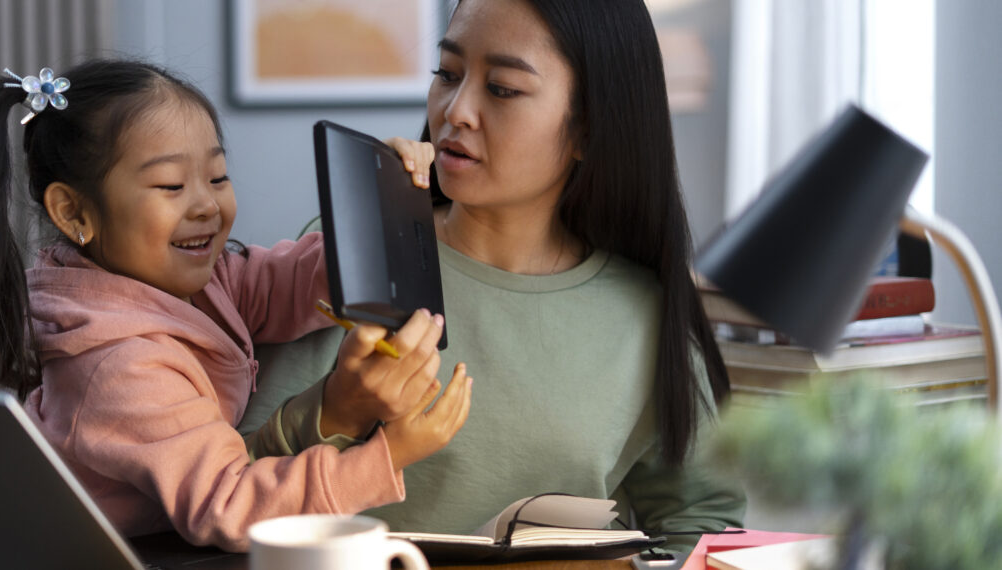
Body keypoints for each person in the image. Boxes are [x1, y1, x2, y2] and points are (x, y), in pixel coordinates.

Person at [239, 0, 745, 553]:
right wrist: (335, 410)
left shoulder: (644, 314)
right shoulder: (350, 254)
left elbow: (703, 519)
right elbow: (230, 489)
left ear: (589, 129)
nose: (456, 110)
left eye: (502, 88)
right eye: (447, 74)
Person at [0, 58, 472, 551]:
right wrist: (388, 455)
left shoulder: (193, 282)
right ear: (73, 213)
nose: (207, 205)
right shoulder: (121, 366)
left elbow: (285, 282)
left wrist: (385, 206)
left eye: (217, 176)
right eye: (169, 186)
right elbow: (231, 509)